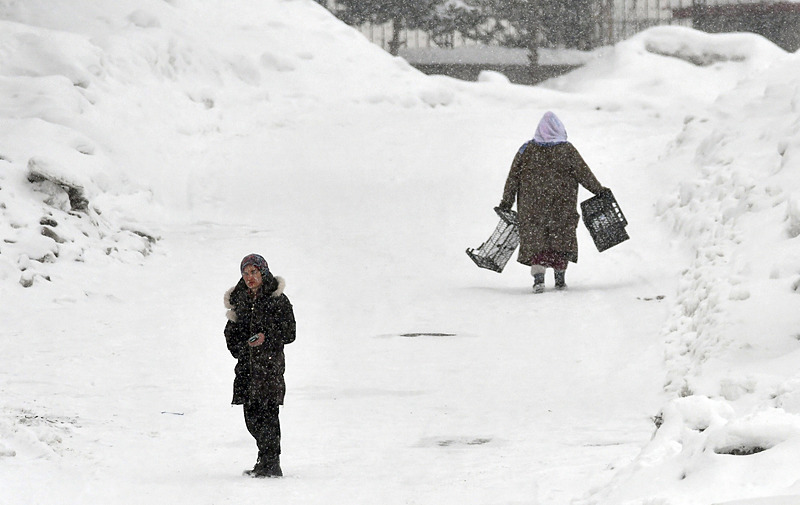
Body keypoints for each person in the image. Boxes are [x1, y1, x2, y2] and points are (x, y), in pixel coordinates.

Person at [499, 111, 607, 293]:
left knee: (537, 241)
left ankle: (539, 279)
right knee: (560, 240)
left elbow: (513, 178)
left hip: (532, 207)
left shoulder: (526, 150)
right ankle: (560, 279)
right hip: (561, 206)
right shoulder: (567, 150)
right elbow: (584, 173)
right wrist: (599, 191)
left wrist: (506, 202)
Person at [224, 253, 296, 477]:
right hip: (246, 367)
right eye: (245, 273)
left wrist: (267, 337)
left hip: (269, 367)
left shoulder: (278, 299)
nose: (249, 277)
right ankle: (263, 460)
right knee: (251, 417)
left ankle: (271, 463)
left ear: (263, 272)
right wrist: (240, 346)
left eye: (254, 272)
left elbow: (290, 333)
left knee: (268, 415)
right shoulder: (240, 299)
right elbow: (231, 332)